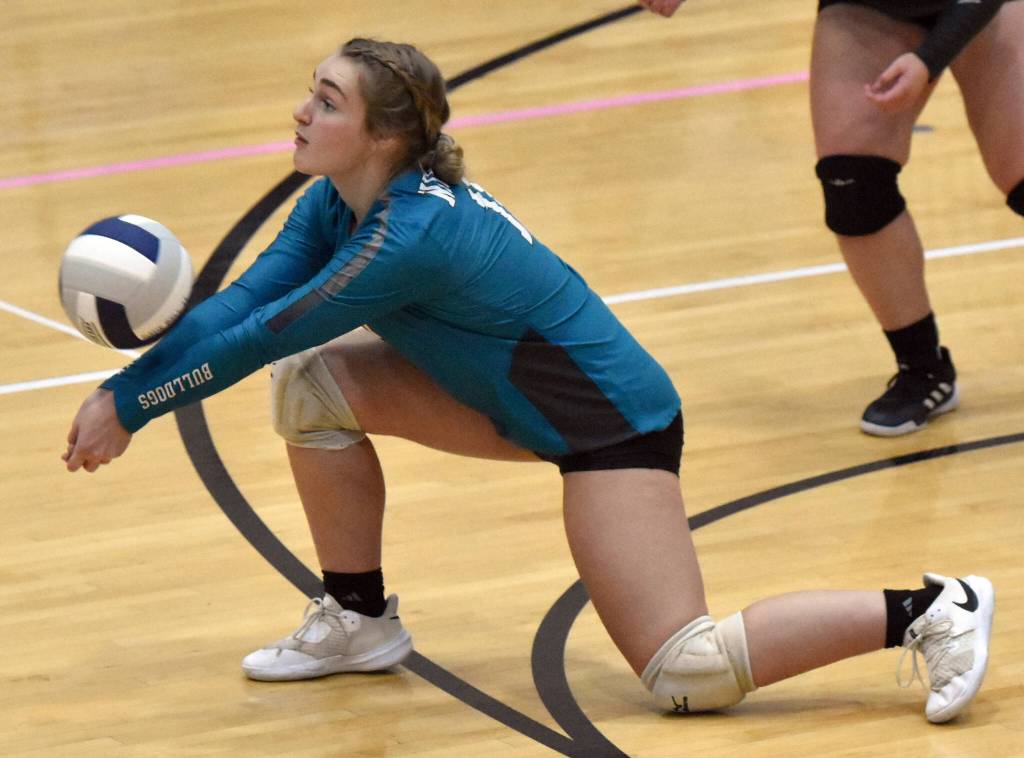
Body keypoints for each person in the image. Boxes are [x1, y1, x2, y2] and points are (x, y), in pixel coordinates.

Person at [62, 37, 994, 723]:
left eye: (329, 103)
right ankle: (357, 619)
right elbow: (243, 307)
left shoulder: (410, 238)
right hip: (503, 397)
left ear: (384, 136)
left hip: (608, 428)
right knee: (313, 387)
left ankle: (929, 611)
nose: (303, 113)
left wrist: (132, 405)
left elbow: (265, 331)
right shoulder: (335, 202)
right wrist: (136, 378)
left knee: (685, 672)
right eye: (312, 93)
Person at [642, 0, 1024, 436]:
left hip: (986, 8)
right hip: (870, 7)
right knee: (853, 184)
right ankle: (923, 370)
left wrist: (928, 60)